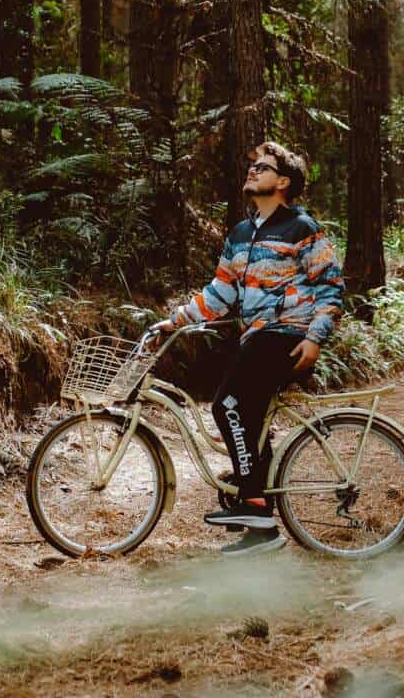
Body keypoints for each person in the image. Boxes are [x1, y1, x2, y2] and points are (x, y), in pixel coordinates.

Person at [151, 141, 345, 556]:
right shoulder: (240, 235)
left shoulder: (302, 228)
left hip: (288, 335)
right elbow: (220, 294)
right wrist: (176, 319)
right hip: (255, 337)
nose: (253, 171)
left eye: (264, 167)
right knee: (251, 424)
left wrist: (315, 338)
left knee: (227, 406)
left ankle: (252, 503)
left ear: (284, 182)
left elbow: (331, 286)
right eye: (252, 165)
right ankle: (263, 533)